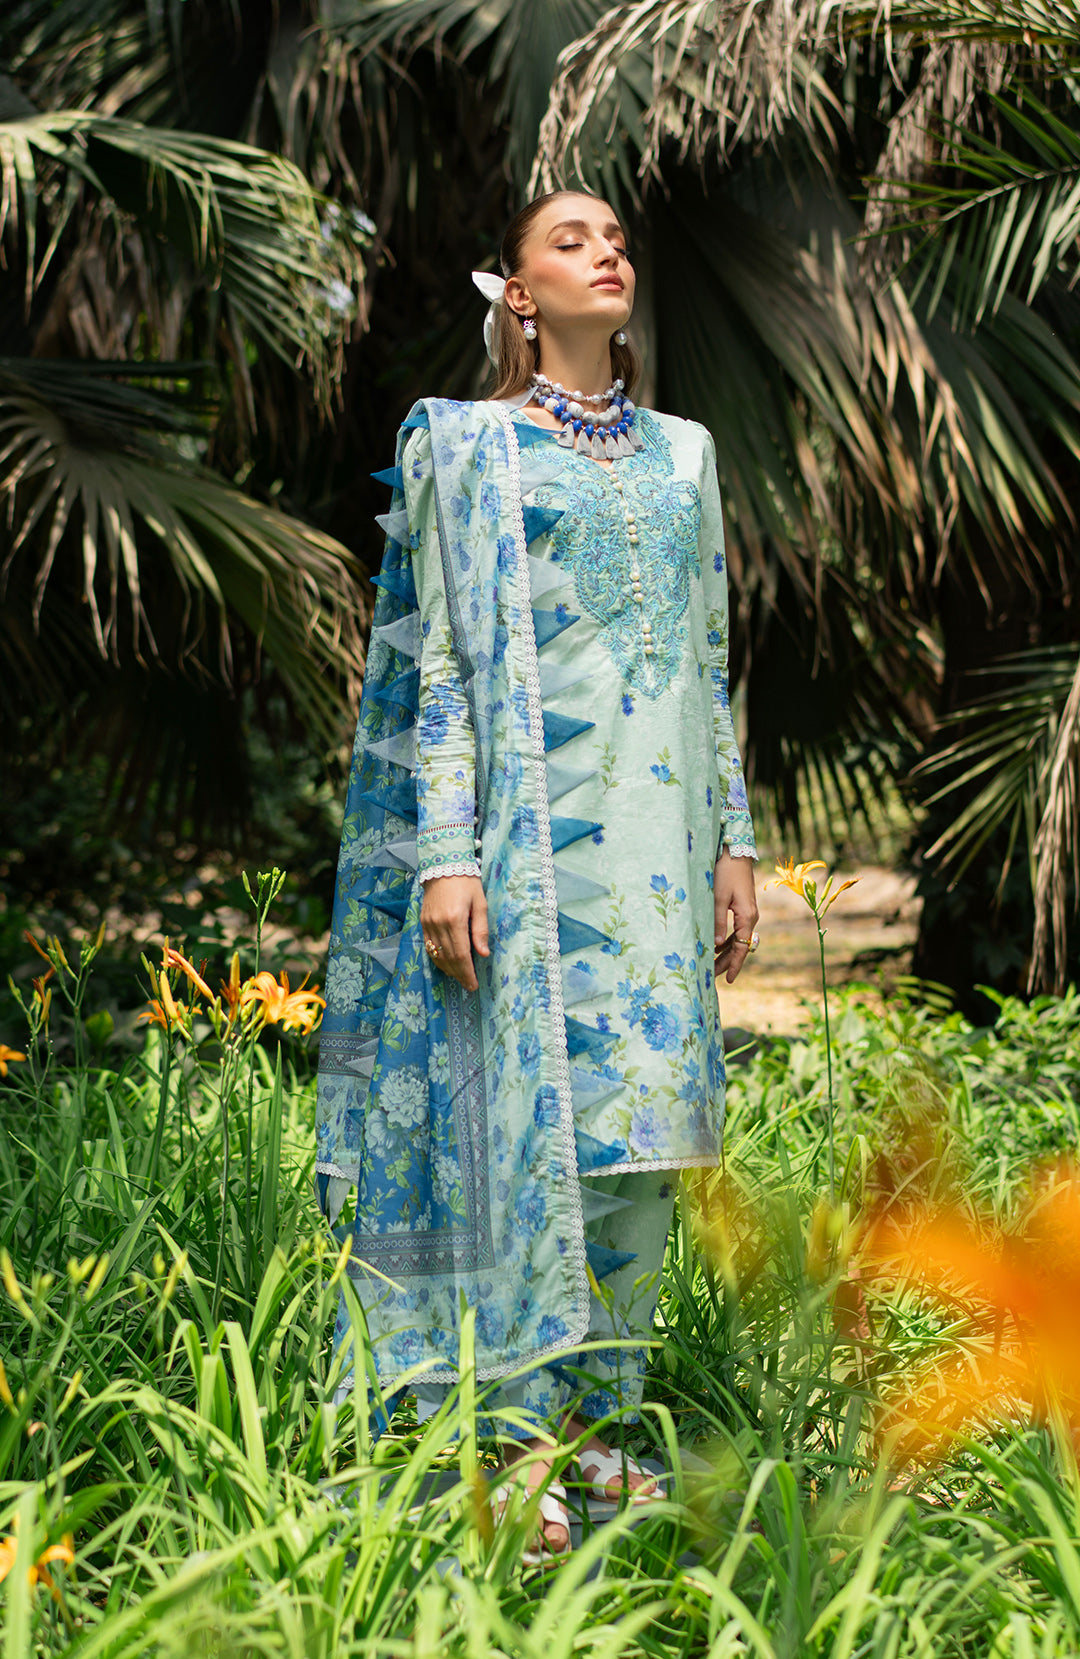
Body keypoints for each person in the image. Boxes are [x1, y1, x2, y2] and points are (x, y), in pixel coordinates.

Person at [315, 190, 759, 1564]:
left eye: (613, 237)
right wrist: (447, 855)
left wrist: (735, 839)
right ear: (517, 293)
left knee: (645, 1134)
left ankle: (598, 1424)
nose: (604, 252)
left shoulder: (687, 454)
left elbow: (708, 658)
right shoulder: (470, 447)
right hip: (529, 851)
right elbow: (448, 662)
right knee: (528, 1127)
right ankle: (511, 1439)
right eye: (569, 241)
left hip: (658, 849)